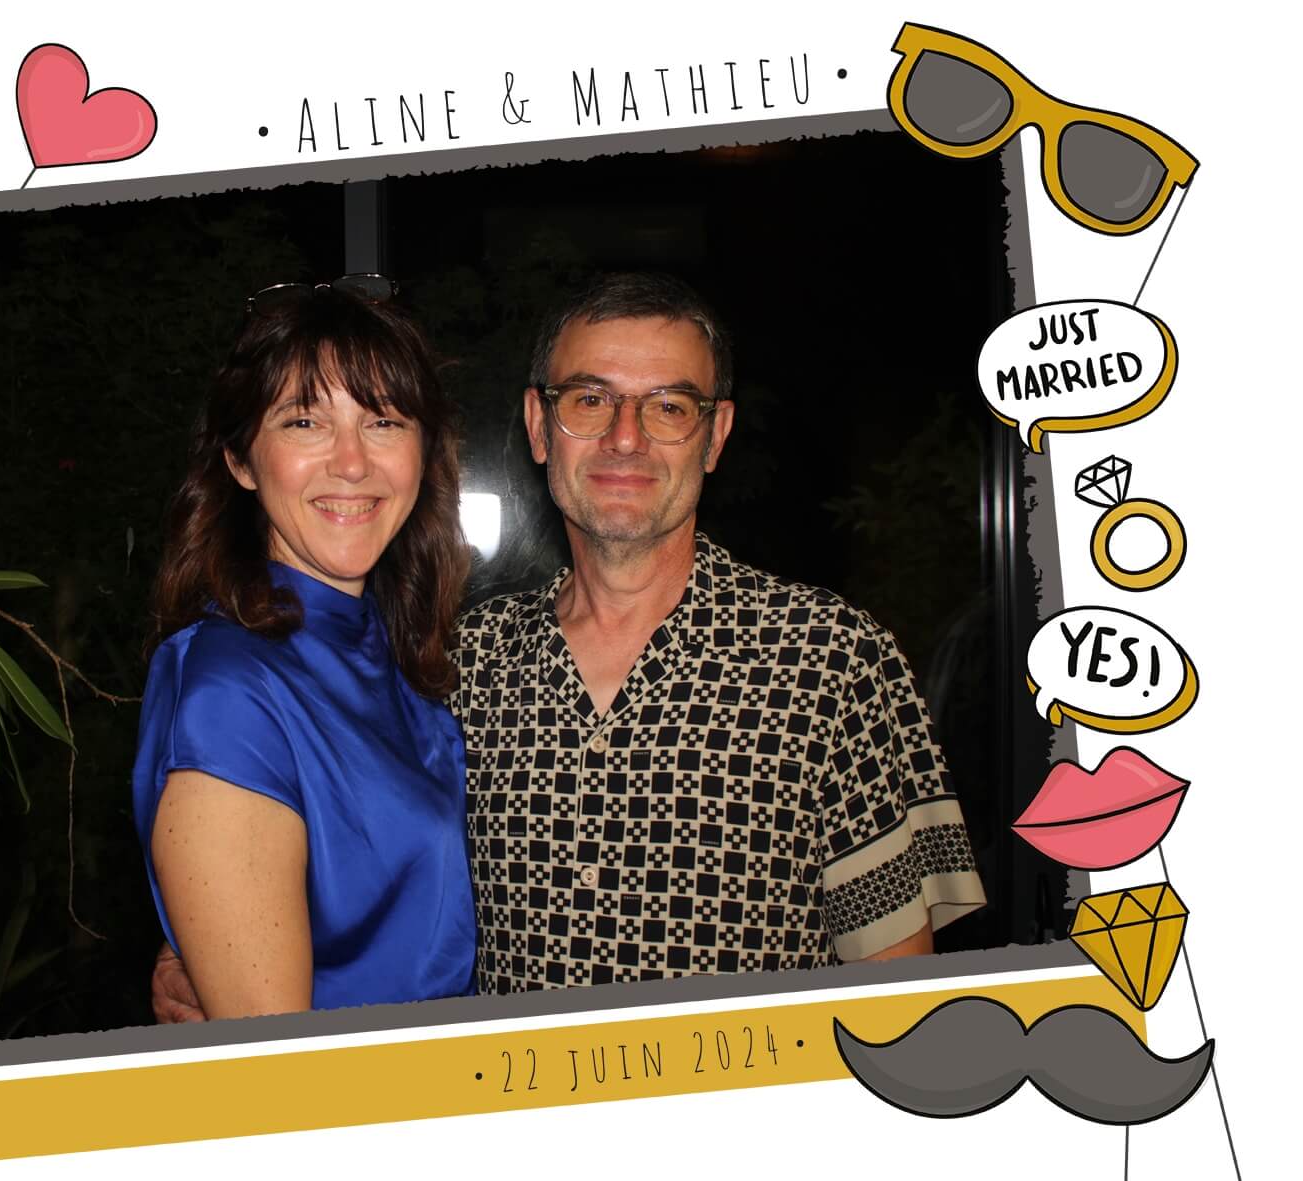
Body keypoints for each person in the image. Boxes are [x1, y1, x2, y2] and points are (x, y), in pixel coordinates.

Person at [153, 271, 983, 1018]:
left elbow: (902, 1004)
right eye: (589, 400)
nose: (626, 436)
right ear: (539, 425)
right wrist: (217, 946)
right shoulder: (462, 665)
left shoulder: (832, 660)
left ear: (716, 433)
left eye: (669, 406)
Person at [132, 278, 475, 1019]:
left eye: (382, 421)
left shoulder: (398, 650)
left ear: (423, 451)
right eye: (305, 422)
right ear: (240, 460)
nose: (352, 462)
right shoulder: (231, 691)